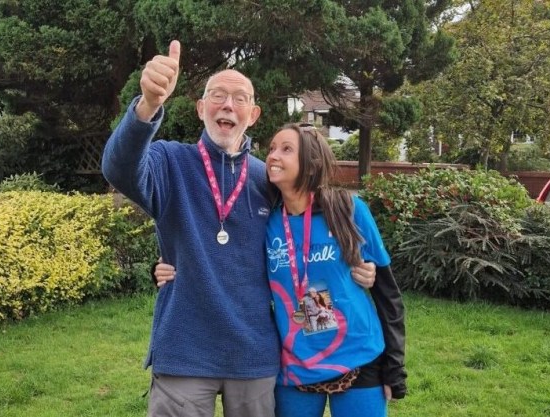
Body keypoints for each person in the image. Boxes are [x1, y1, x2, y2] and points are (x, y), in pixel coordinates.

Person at [102, 40, 377, 417]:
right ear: (201, 108)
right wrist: (148, 105)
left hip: (254, 355)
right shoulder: (169, 161)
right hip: (185, 351)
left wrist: (357, 266)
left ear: (254, 114)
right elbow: (118, 169)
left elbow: (306, 237)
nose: (227, 104)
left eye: (239, 98)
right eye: (217, 95)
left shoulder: (269, 180)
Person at [264, 123, 407, 417]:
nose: (273, 156)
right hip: (293, 363)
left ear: (312, 162)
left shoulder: (348, 209)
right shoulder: (265, 220)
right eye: (271, 149)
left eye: (286, 149)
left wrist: (395, 365)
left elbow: (387, 293)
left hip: (358, 356)